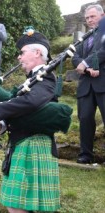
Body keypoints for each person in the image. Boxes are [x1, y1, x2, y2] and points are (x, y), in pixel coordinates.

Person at [0, 30, 60, 212]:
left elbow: (31, 102)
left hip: (34, 144)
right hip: (23, 143)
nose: (19, 57)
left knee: (19, 208)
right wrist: (1, 125)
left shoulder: (46, 77)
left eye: (22, 52)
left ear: (37, 53)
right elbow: (26, 111)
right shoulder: (31, 80)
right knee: (16, 206)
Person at [72, 4, 105, 164]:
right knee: (85, 119)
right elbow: (74, 57)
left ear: (102, 15)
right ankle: (86, 155)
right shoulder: (84, 37)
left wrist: (85, 63)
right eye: (87, 18)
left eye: (92, 16)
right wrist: (86, 69)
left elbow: (103, 51)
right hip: (86, 85)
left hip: (103, 83)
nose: (89, 20)